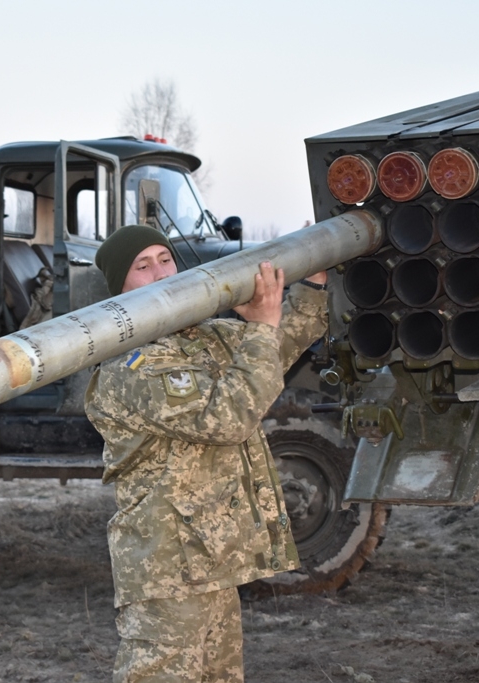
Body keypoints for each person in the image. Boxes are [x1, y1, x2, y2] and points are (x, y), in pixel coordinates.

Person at [85, 225, 328, 682]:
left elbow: (271, 352)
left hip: (212, 560)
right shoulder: (131, 365)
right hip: (168, 571)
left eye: (165, 259)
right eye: (142, 266)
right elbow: (229, 416)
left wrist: (313, 285)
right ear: (120, 287)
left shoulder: (201, 337)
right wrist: (259, 329)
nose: (161, 272)